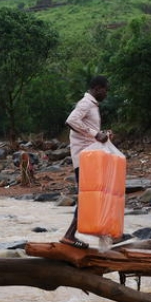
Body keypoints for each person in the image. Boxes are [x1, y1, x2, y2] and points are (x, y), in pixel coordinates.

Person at [59, 76, 110, 249]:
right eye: (105, 89)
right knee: (87, 197)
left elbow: (86, 130)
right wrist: (96, 134)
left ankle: (83, 233)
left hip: (90, 158)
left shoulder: (91, 105)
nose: (106, 93)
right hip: (84, 158)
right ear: (97, 88)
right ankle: (69, 235)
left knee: (91, 196)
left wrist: (101, 134)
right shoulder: (86, 103)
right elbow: (72, 120)